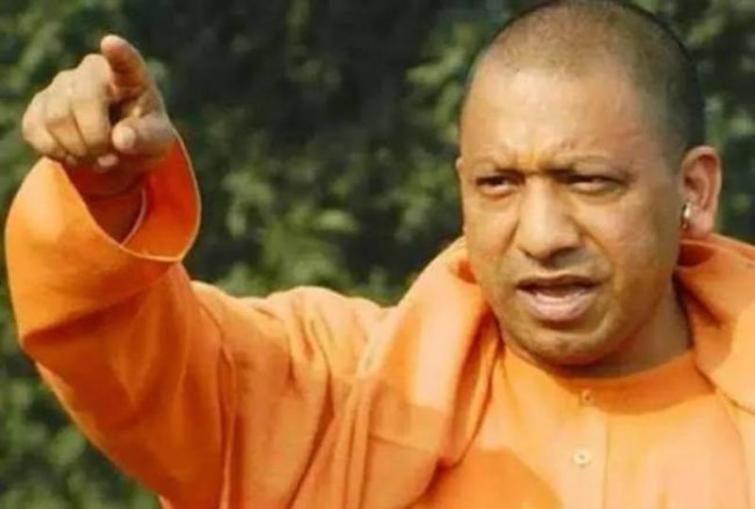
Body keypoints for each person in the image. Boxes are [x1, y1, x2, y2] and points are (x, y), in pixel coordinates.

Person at [6, 0, 755, 507]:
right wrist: (111, 195)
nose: (540, 233)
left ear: (693, 188)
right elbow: (123, 349)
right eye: (498, 184)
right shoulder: (336, 391)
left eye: (587, 181)